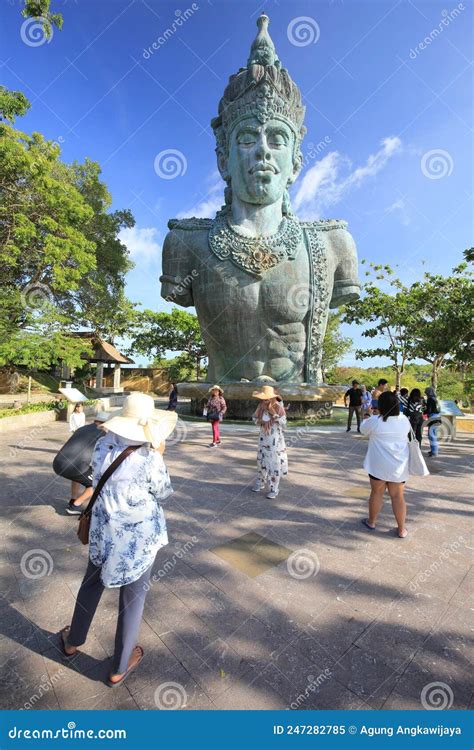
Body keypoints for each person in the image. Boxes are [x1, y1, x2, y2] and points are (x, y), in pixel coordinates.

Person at [60, 392, 177, 687]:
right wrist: (159, 454)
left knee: (90, 585)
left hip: (104, 530)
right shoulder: (149, 458)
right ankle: (119, 666)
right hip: (139, 539)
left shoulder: (102, 445)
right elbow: (163, 493)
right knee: (133, 599)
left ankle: (73, 641)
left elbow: (97, 478)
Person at [360, 390, 410, 539]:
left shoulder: (375, 421)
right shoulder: (404, 419)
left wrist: (368, 415)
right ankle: (401, 529)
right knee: (398, 496)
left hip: (378, 466)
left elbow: (363, 430)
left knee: (376, 493)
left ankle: (372, 522)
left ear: (380, 405)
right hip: (398, 466)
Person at [53, 412, 111, 515]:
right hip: (74, 467)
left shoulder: (82, 428)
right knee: (97, 483)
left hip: (57, 463)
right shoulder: (104, 434)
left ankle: (73, 499)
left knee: (78, 475)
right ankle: (74, 506)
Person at [251, 385, 288, 499]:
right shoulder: (260, 406)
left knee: (274, 462)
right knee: (261, 460)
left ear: (272, 397)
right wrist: (259, 421)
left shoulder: (278, 407)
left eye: (266, 398)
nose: (264, 400)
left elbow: (284, 423)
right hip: (263, 438)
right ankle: (261, 482)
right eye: (263, 398)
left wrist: (275, 415)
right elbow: (254, 418)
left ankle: (274, 488)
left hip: (275, 440)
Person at [424, 386, 441, 457]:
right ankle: (433, 450)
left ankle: (434, 452)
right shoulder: (435, 399)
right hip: (438, 417)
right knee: (433, 434)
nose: (426, 393)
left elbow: (429, 410)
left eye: (426, 392)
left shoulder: (430, 399)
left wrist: (423, 411)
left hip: (433, 417)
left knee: (431, 435)